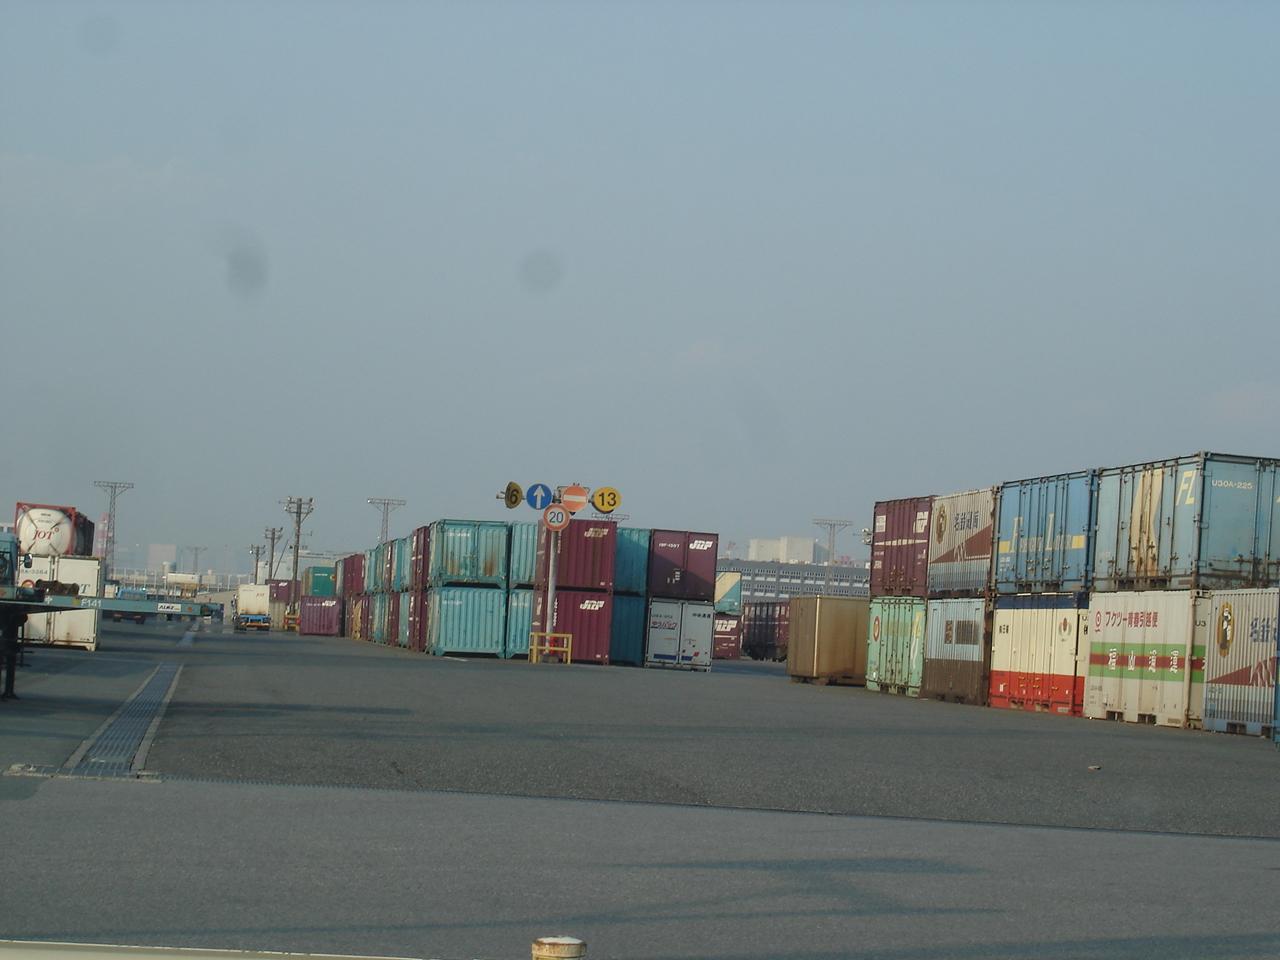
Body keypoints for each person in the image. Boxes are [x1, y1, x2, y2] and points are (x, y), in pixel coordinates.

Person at [0, 611, 25, 702]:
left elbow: (22, 620)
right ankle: (9, 691)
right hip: (7, 640)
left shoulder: (14, 611)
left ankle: (9, 691)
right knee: (10, 666)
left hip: (9, 640)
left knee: (11, 666)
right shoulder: (13, 611)